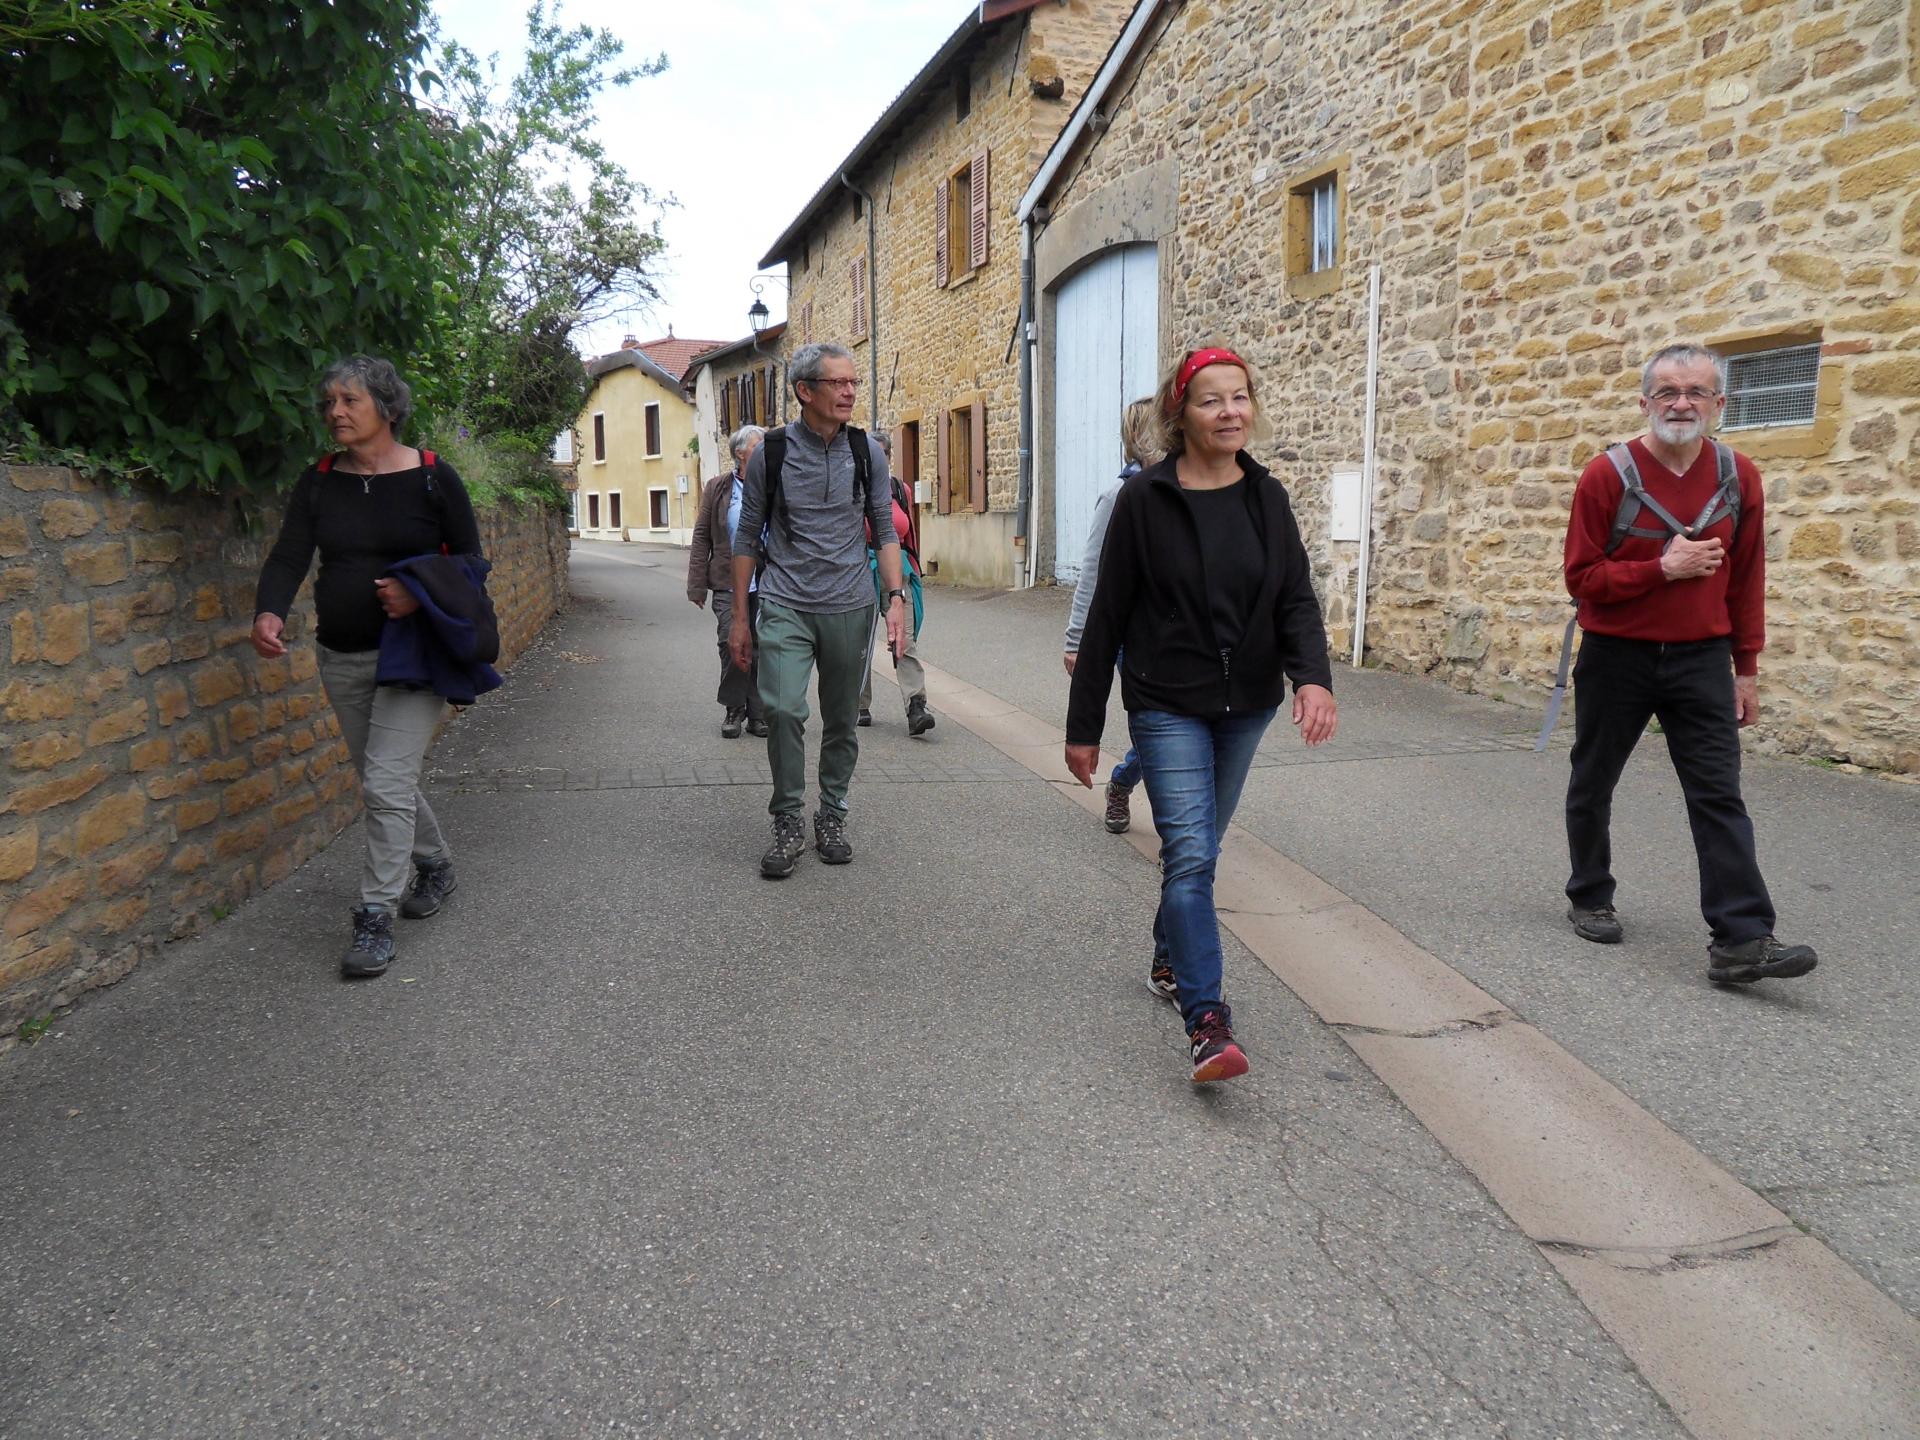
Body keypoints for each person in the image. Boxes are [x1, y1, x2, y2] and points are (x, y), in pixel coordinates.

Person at [1066, 347, 1337, 1084]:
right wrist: (1083, 724)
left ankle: (1168, 953)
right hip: (1165, 701)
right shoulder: (1143, 501)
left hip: (1246, 703)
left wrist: (1312, 678)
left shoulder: (1267, 498)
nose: (1229, 412)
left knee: (1200, 850)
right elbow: (1108, 615)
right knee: (1189, 854)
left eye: (1240, 398)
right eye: (1212, 400)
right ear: (1179, 413)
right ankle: (1207, 1023)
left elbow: (1294, 599)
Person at [1562, 343, 1816, 985]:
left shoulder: (1738, 476)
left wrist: (1746, 666)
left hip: (1702, 658)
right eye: (1668, 392)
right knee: (1594, 778)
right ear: (1645, 401)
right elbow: (1581, 578)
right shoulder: (1607, 476)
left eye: (1697, 392)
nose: (1682, 403)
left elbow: (1747, 576)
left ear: (1719, 404)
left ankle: (1741, 938)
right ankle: (1590, 893)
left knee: (1718, 793)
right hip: (1617, 654)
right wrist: (1660, 569)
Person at [251, 355, 482, 979]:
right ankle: (435, 864)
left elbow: (470, 563)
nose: (335, 412)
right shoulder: (320, 481)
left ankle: (375, 915)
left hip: (415, 653)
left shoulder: (434, 476)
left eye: (349, 400)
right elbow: (290, 554)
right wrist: (269, 611)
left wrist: (418, 594)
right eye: (329, 402)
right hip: (342, 653)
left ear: (386, 406)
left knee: (383, 785)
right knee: (385, 782)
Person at [729, 342, 908, 879]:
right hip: (786, 600)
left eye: (854, 382)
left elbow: (883, 527)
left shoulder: (865, 452)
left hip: (851, 604)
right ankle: (787, 819)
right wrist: (740, 616)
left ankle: (831, 813)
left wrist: (894, 599)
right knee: (783, 709)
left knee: (842, 718)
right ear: (805, 391)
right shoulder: (773, 453)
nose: (851, 391)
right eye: (838, 383)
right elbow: (746, 534)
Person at [1063, 397, 1162, 833]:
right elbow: (1092, 576)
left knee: (1181, 733)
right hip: (1131, 638)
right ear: (1142, 439)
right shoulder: (1118, 496)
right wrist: (1075, 640)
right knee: (1162, 732)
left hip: (1184, 636)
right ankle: (1125, 787)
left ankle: (1178, 829)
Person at [689, 425, 769, 738]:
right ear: (740, 453)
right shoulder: (718, 488)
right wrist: (697, 584)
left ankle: (758, 713)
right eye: (757, 445)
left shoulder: (771, 486)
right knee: (731, 642)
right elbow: (701, 536)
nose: (763, 450)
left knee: (761, 645)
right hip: (727, 581)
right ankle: (734, 709)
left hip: (765, 580)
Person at [858, 430, 934, 737]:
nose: (877, 461)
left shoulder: (898, 490)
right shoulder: (852, 490)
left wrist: (914, 572)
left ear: (889, 458)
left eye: (882, 454)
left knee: (905, 636)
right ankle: (858, 705)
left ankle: (916, 705)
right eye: (870, 455)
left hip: (898, 570)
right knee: (857, 640)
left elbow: (909, 535)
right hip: (859, 568)